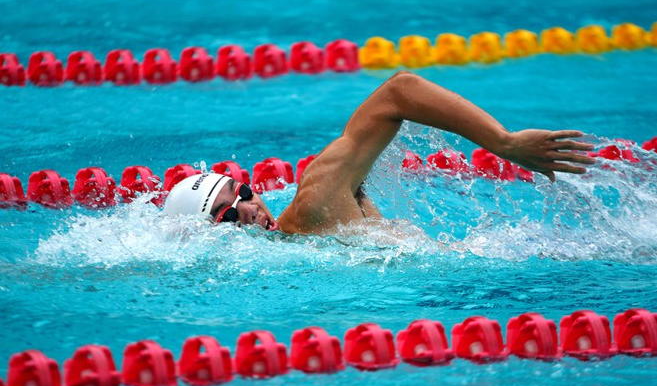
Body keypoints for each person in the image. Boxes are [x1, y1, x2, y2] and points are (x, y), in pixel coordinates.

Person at [163, 71, 595, 234]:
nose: (249, 207)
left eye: (241, 192)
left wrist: (505, 143)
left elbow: (399, 92)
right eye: (226, 213)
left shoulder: (313, 203)